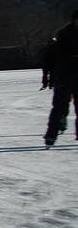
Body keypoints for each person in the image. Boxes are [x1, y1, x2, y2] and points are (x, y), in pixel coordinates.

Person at [43, 10, 78, 147]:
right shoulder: (63, 35)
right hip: (65, 76)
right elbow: (55, 59)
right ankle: (51, 135)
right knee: (59, 108)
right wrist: (48, 77)